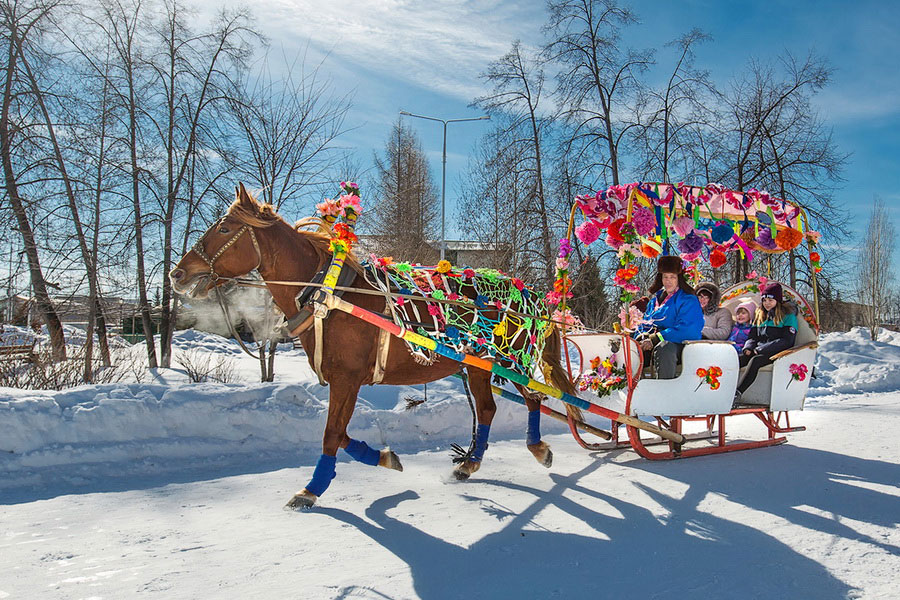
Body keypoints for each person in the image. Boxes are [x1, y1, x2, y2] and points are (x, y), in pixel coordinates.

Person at [633, 256, 704, 379]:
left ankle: (665, 389)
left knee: (665, 347)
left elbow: (688, 329)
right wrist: (641, 336)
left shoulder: (688, 299)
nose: (668, 281)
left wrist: (656, 338)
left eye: (672, 277)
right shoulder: (654, 301)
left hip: (678, 344)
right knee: (631, 349)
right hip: (652, 342)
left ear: (679, 279)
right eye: (665, 277)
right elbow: (645, 324)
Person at [734, 282, 798, 402]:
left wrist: (759, 350)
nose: (767, 303)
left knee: (755, 361)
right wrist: (748, 348)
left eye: (770, 300)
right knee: (737, 359)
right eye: (764, 300)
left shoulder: (788, 316)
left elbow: (787, 341)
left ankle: (738, 393)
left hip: (777, 352)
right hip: (757, 350)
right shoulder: (761, 315)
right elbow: (752, 337)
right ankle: (723, 388)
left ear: (777, 300)